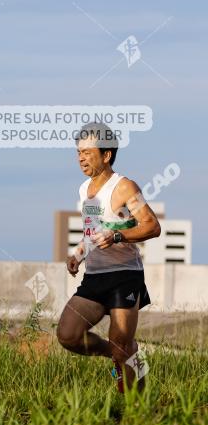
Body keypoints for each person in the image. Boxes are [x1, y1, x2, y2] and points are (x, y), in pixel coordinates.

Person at [56, 122, 161, 392]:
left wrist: (118, 237)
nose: (81, 157)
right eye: (78, 152)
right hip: (95, 277)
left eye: (88, 152)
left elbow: (152, 226)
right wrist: (78, 255)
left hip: (125, 276)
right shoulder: (84, 190)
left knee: (121, 348)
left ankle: (136, 408)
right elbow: (93, 232)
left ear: (106, 155)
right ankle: (123, 352)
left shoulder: (124, 187)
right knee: (68, 335)